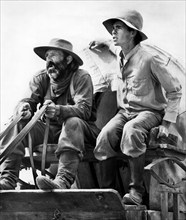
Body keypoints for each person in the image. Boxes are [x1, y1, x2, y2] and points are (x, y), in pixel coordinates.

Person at [91, 10, 182, 205]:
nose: (113, 33)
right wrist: (102, 42)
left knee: (131, 131)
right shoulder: (119, 55)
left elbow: (175, 91)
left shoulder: (150, 59)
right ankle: (107, 193)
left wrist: (167, 123)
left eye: (118, 28)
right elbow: (111, 46)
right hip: (125, 112)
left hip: (149, 112)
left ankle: (135, 191)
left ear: (132, 33)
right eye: (112, 29)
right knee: (104, 136)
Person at [0, 38, 100, 190]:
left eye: (53, 55)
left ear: (68, 59)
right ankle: (8, 180)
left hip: (80, 132)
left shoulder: (81, 77)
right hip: (50, 131)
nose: (48, 61)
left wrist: (59, 110)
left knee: (73, 121)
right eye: (47, 57)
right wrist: (24, 108)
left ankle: (63, 181)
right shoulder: (41, 78)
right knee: (18, 122)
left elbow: (84, 110)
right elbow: (26, 101)